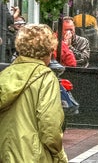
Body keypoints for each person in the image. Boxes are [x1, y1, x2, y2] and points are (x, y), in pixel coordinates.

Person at [0, 24, 68, 162]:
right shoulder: (45, 78)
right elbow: (49, 126)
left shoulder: (5, 75)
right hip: (33, 156)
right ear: (48, 51)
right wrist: (59, 156)